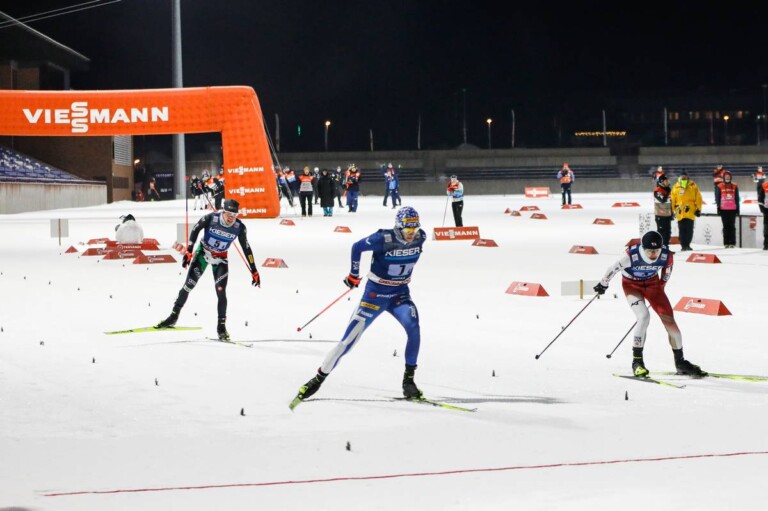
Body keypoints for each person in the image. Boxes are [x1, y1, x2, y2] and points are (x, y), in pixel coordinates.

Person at [290, 207, 427, 407]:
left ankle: (408, 381)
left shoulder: (421, 237)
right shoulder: (384, 238)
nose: (411, 233)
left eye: (414, 228)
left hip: (400, 294)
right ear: (399, 226)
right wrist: (354, 274)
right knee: (347, 342)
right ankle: (317, 380)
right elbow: (357, 247)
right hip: (375, 296)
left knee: (414, 329)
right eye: (407, 229)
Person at [593, 231, 705, 378]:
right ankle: (637, 362)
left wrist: (661, 286)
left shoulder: (666, 255)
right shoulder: (631, 256)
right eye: (649, 251)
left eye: (656, 250)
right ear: (642, 248)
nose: (653, 254)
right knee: (643, 316)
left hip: (653, 285)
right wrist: (603, 284)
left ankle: (680, 362)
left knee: (670, 321)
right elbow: (612, 269)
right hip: (631, 286)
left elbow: (667, 271)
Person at [155, 199, 261, 341]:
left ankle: (221, 328)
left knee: (221, 292)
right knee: (188, 286)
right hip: (202, 255)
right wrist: (189, 251)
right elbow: (195, 229)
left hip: (221, 260)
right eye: (229, 213)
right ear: (223, 211)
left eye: (234, 214)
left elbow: (246, 248)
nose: (231, 217)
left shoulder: (239, 227)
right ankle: (173, 316)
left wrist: (254, 270)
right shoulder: (211, 218)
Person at [670, 171, 702, 251]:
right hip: (680, 211)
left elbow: (698, 198)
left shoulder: (693, 185)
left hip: (690, 210)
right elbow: (673, 199)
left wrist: (698, 209)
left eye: (685, 176)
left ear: (688, 177)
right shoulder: (676, 187)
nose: (683, 177)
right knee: (682, 228)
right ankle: (683, 245)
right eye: (682, 176)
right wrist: (672, 210)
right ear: (680, 177)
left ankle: (687, 244)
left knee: (689, 228)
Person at [714, 171, 740, 248]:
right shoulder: (720, 186)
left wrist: (738, 208)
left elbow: (737, 198)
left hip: (732, 209)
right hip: (723, 209)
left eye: (728, 177)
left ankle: (732, 243)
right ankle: (726, 243)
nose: (727, 178)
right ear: (724, 177)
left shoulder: (735, 186)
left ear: (730, 177)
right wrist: (718, 207)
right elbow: (718, 198)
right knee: (725, 226)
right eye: (726, 177)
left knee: (732, 226)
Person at [653, 174, 673, 248]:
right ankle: (660, 247)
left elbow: (671, 202)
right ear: (662, 181)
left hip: (667, 215)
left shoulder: (667, 189)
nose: (668, 182)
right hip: (660, 215)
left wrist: (671, 213)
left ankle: (666, 246)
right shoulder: (657, 190)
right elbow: (662, 200)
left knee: (668, 232)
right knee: (662, 232)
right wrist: (668, 192)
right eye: (666, 181)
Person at [757, 174, 768, 250]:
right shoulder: (764, 185)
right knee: (766, 228)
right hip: (767, 211)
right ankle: (766, 245)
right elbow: (760, 199)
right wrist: (762, 210)